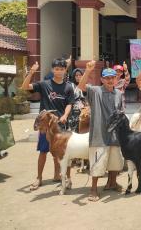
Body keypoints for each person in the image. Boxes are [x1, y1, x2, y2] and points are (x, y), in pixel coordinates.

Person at [22, 58, 74, 191]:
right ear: (52, 70)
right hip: (45, 127)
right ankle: (39, 177)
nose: (59, 71)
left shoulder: (68, 86)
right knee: (43, 151)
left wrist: (65, 115)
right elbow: (25, 87)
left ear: (65, 70)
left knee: (59, 152)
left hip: (60, 125)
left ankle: (57, 175)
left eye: (61, 69)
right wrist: (31, 72)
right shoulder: (44, 84)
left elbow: (69, 103)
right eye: (56, 69)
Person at [78, 62, 124, 202]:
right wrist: (87, 71)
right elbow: (80, 86)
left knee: (115, 161)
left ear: (116, 79)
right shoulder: (95, 91)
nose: (110, 80)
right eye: (107, 78)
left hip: (115, 134)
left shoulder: (119, 93)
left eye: (112, 77)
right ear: (102, 79)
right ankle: (93, 188)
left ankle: (112, 183)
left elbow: (120, 112)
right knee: (98, 162)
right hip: (99, 134)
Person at [68, 68, 87, 133]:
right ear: (74, 76)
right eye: (76, 75)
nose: (78, 77)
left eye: (80, 75)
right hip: (73, 112)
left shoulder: (87, 86)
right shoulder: (70, 86)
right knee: (74, 132)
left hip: (84, 113)